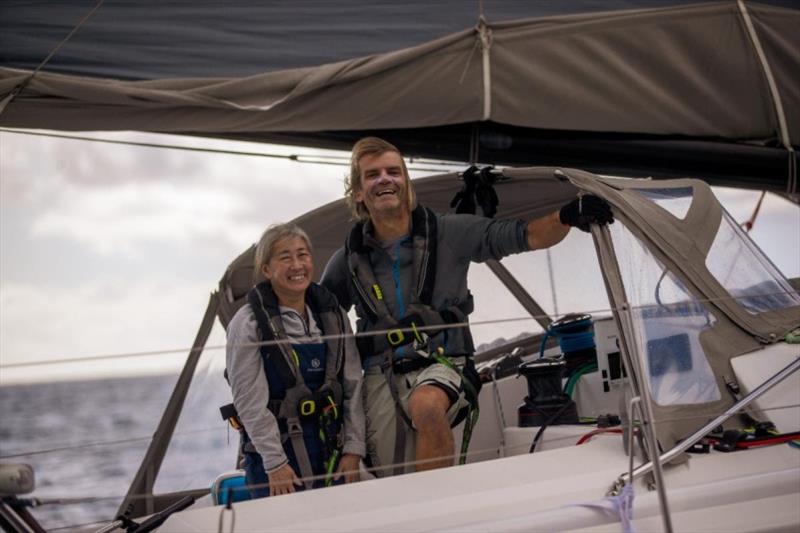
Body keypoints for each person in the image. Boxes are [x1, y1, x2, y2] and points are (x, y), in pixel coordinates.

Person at [321, 137, 613, 477]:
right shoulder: (347, 261)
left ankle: (441, 507)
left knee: (427, 407)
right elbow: (318, 317)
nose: (385, 179)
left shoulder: (450, 232)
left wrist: (568, 215)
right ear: (358, 192)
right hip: (379, 375)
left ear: (406, 184)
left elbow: (527, 235)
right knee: (391, 475)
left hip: (444, 362)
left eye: (394, 172)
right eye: (372, 175)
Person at [226, 223, 365, 498]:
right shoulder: (248, 323)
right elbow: (248, 401)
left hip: (333, 455)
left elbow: (353, 385)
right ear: (266, 269)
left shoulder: (333, 315)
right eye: (285, 257)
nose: (297, 265)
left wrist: (353, 449)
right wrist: (275, 463)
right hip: (277, 459)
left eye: (303, 255)